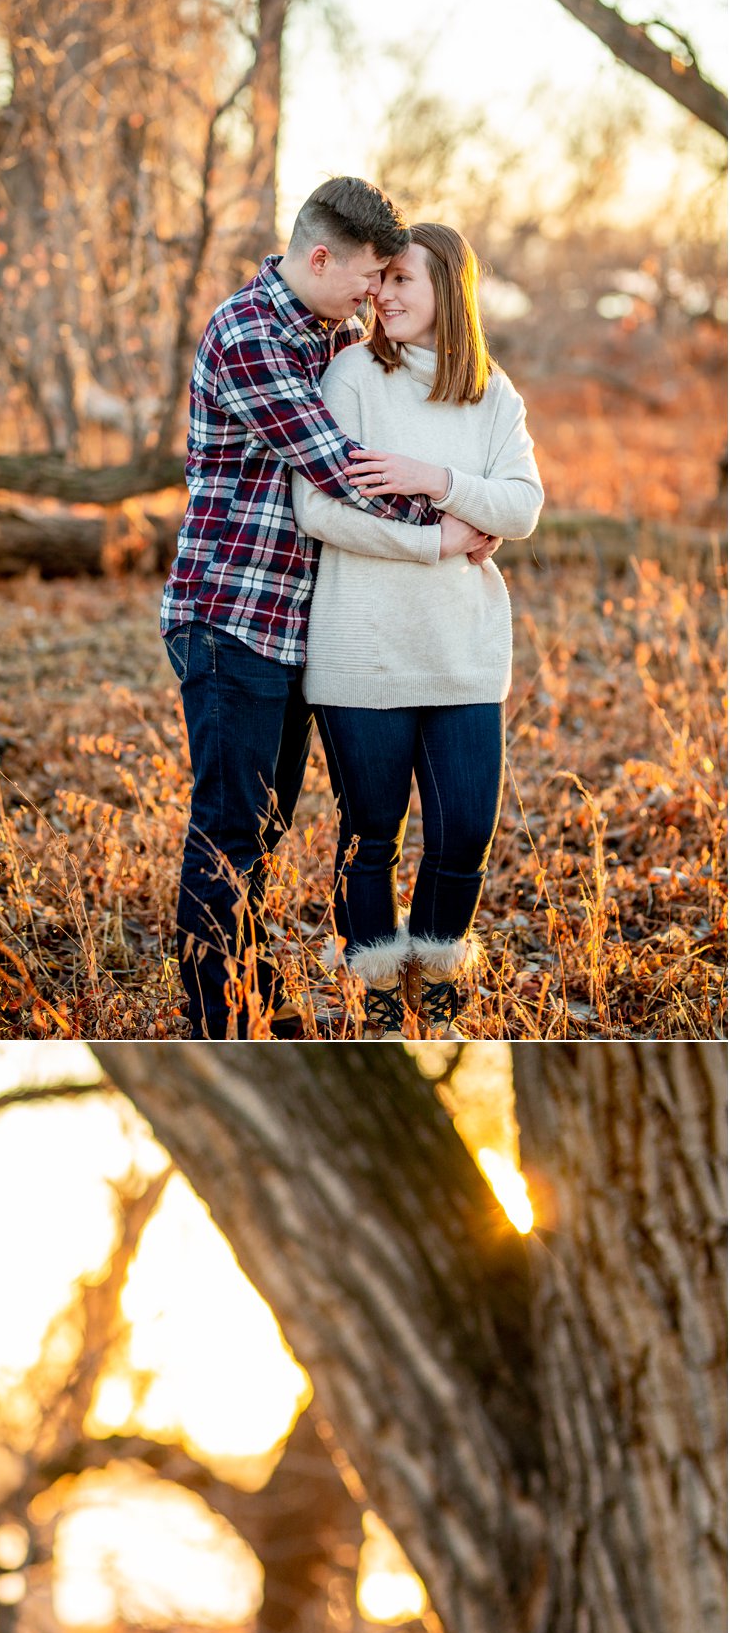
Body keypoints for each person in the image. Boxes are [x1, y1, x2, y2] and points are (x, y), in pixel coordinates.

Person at [156, 177, 443, 1038]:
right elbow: (336, 463)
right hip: (229, 619)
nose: (373, 296)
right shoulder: (246, 334)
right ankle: (221, 1018)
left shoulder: (332, 332)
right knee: (229, 828)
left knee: (266, 822)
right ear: (318, 256)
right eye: (364, 278)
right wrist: (448, 517)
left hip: (289, 629)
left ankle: (250, 991)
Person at [294, 218, 543, 1032]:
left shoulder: (490, 392)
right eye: (382, 278)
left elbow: (522, 504)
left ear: (447, 289)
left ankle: (435, 966)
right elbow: (317, 510)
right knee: (370, 832)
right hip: (361, 646)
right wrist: (435, 538)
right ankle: (370, 977)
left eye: (403, 279)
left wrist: (431, 476)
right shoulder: (353, 373)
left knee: (464, 828)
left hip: (461, 650)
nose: (383, 292)